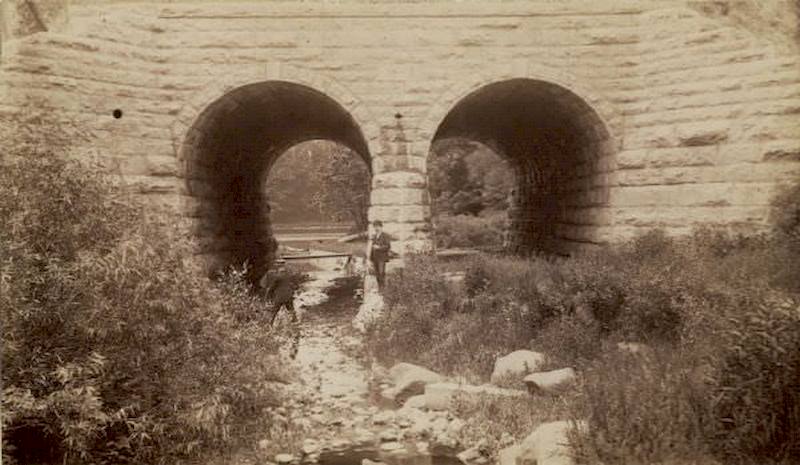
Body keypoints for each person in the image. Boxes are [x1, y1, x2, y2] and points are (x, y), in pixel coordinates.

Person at [368, 220, 391, 290]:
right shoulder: (374, 236)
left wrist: (379, 247)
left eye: (378, 226)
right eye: (375, 227)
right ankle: (379, 287)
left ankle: (383, 288)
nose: (376, 228)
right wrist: (370, 258)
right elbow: (372, 248)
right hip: (375, 257)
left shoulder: (385, 235)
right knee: (377, 273)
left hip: (382, 257)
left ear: (381, 227)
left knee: (381, 272)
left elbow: (387, 246)